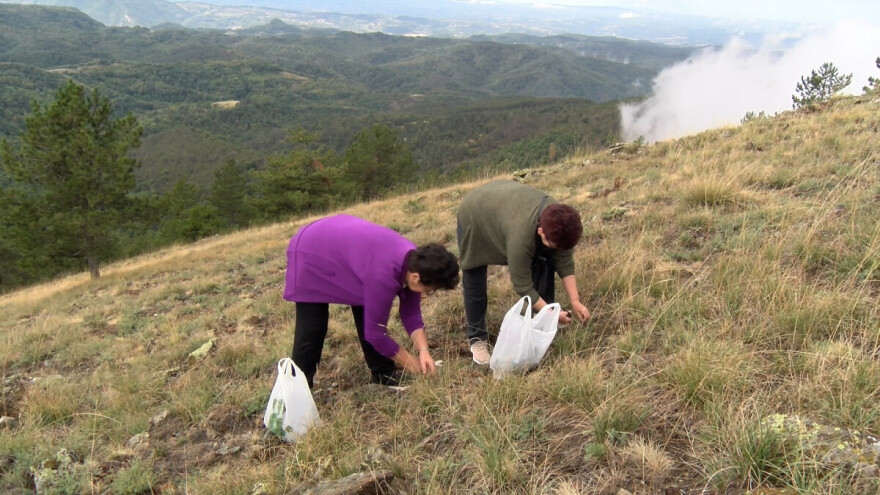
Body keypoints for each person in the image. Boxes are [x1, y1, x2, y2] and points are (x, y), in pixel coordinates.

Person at [283, 214, 460, 388]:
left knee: (368, 307)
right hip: (311, 248)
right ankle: (296, 390)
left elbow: (411, 313)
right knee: (313, 326)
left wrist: (423, 351)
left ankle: (383, 374)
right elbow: (375, 334)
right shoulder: (383, 275)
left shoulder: (417, 263)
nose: (428, 294)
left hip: (345, 247)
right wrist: (409, 362)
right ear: (415, 277)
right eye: (430, 290)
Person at [457, 180, 590, 365]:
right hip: (476, 215)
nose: (560, 250)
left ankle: (541, 324)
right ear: (541, 231)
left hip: (505, 207)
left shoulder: (561, 220)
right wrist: (551, 313)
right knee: (474, 273)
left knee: (544, 259)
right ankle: (477, 337)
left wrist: (575, 301)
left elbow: (564, 260)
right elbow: (522, 284)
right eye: (555, 245)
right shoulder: (521, 237)